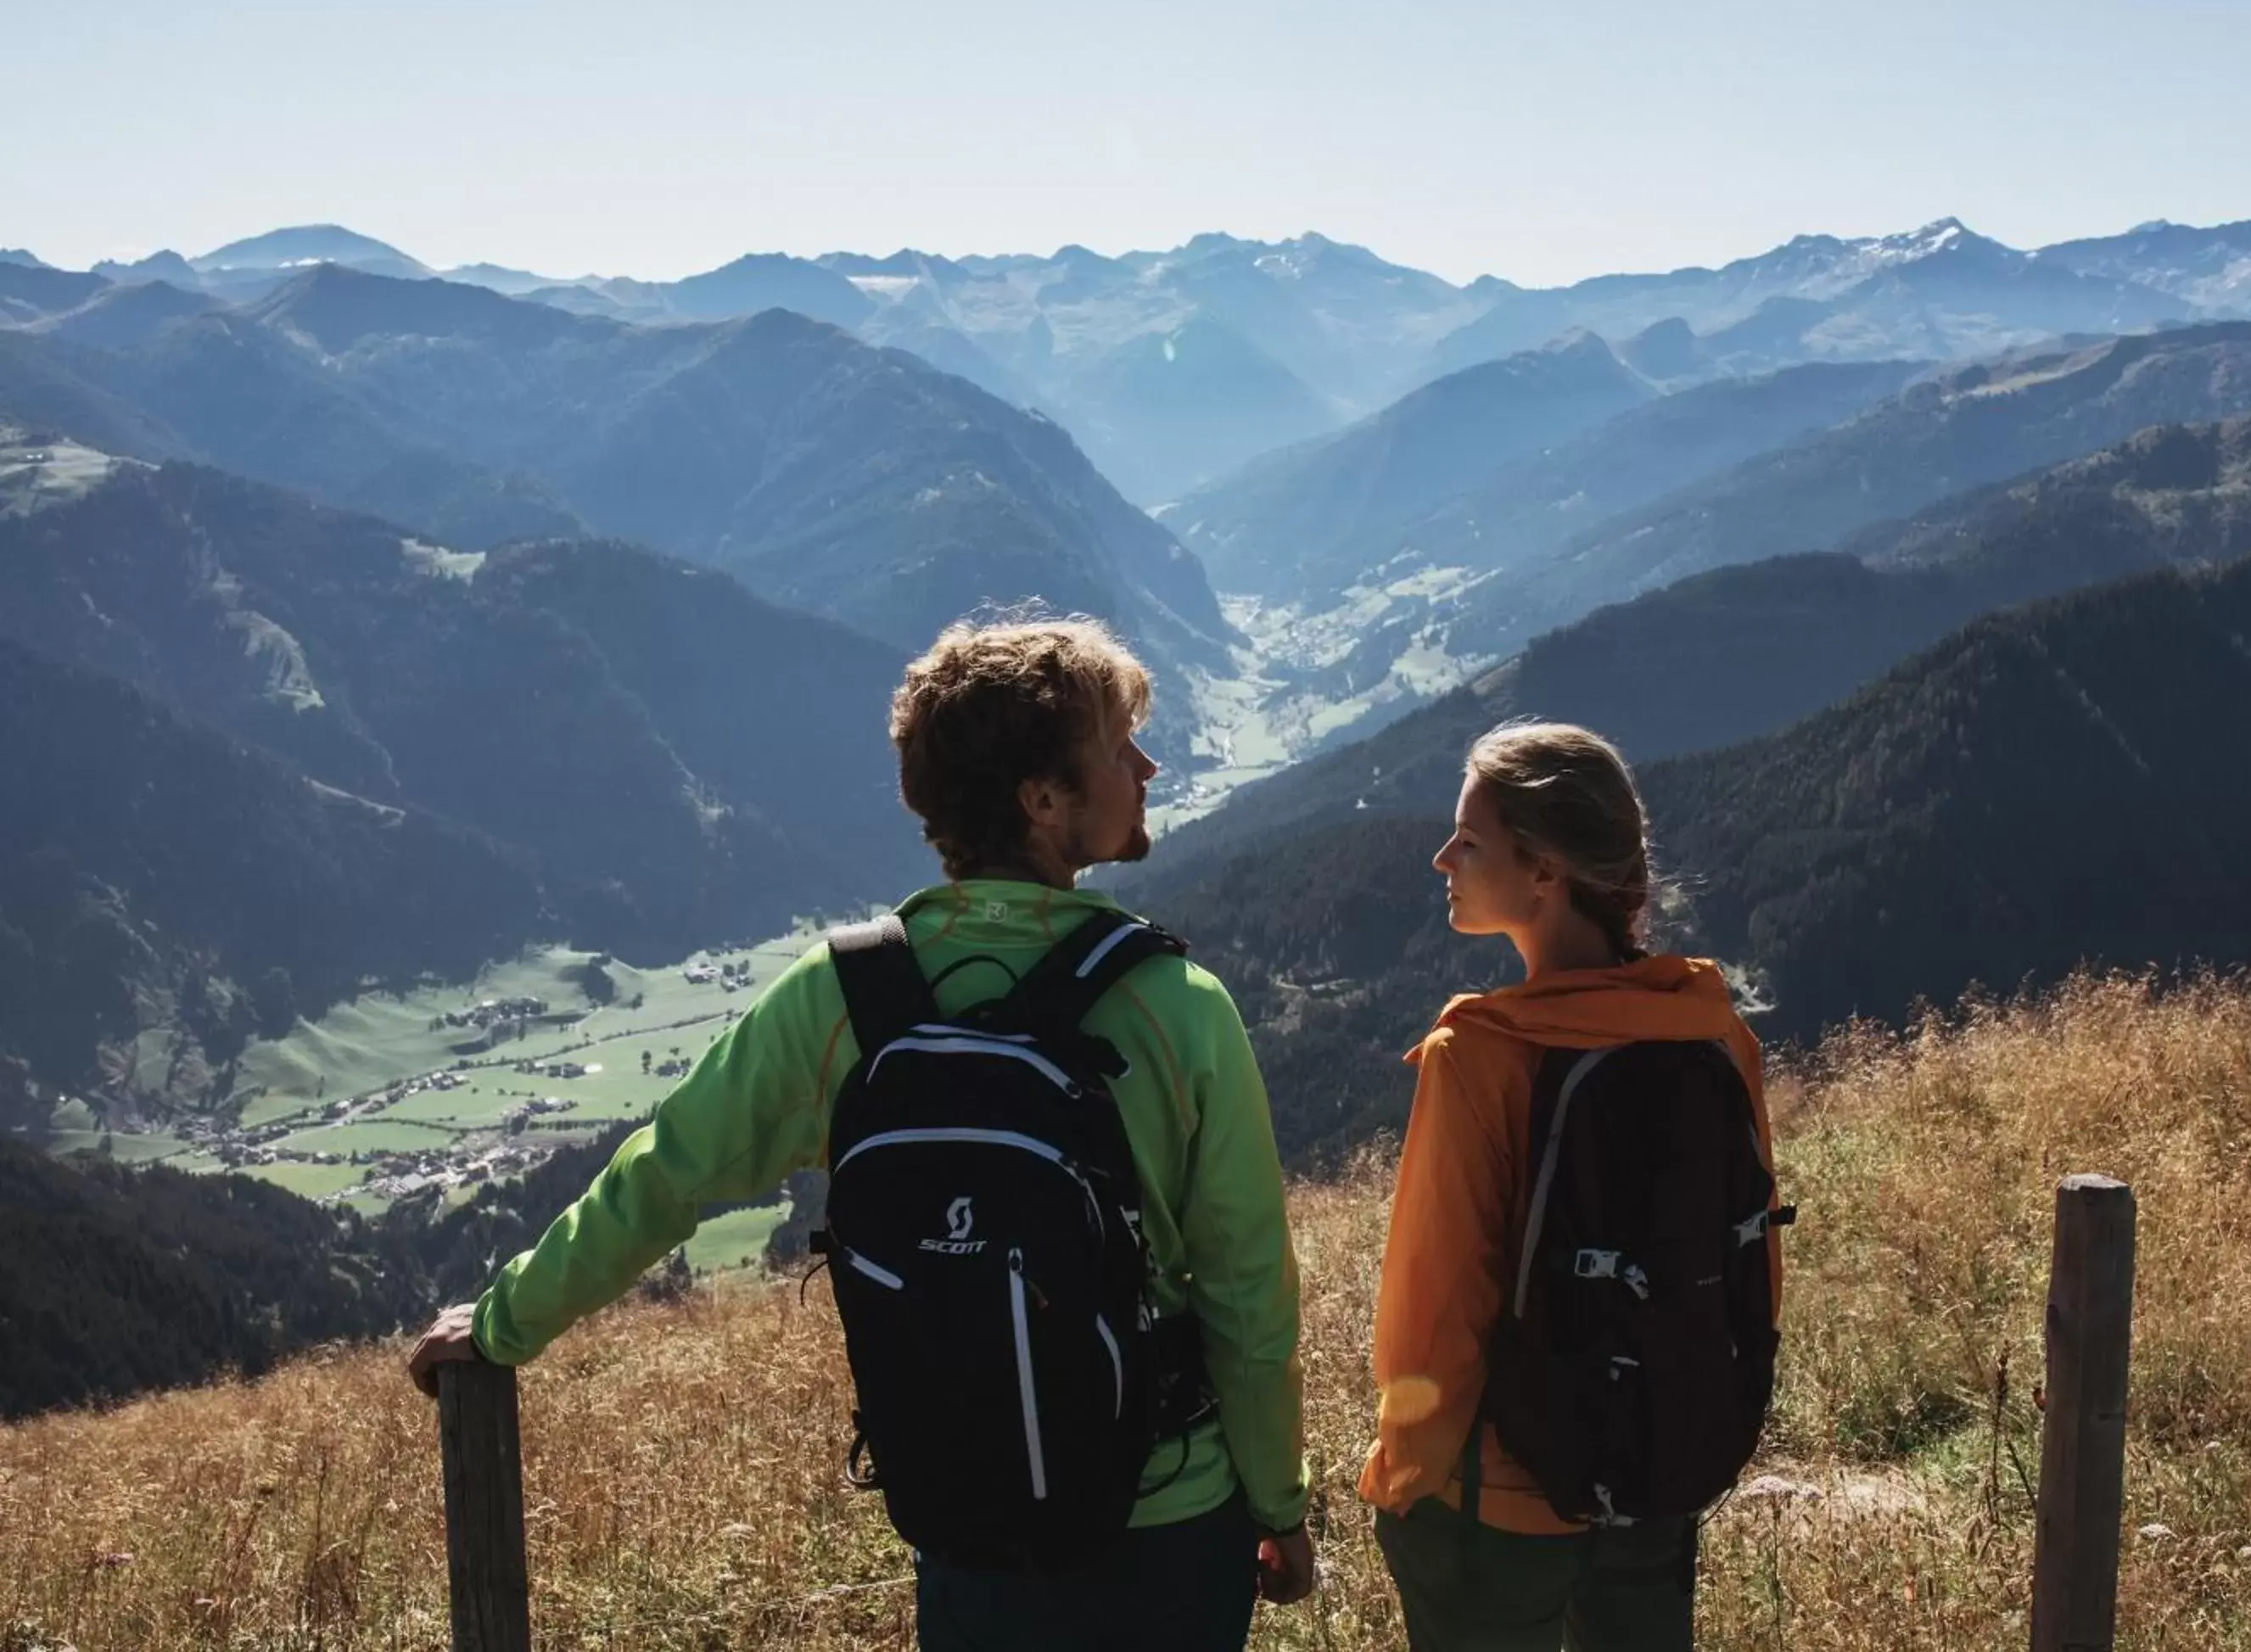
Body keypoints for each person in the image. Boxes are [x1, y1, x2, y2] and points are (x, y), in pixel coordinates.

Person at [408, 617, 1317, 1650]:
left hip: (966, 1503)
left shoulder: (841, 996)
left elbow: (662, 1178)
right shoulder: (1175, 1004)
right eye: (1119, 743)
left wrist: (503, 1321)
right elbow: (1250, 1294)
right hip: (1164, 1522)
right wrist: (1279, 1507)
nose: (1147, 764)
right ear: (1043, 798)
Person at [1358, 721, 1775, 1651]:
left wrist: (1405, 1473)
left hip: (1496, 1501)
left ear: (1543, 870)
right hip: (1654, 1466)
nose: (1441, 858)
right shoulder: (1712, 1032)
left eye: (1468, 840)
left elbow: (1438, 1305)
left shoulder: (1480, 1056)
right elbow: (1751, 1253)